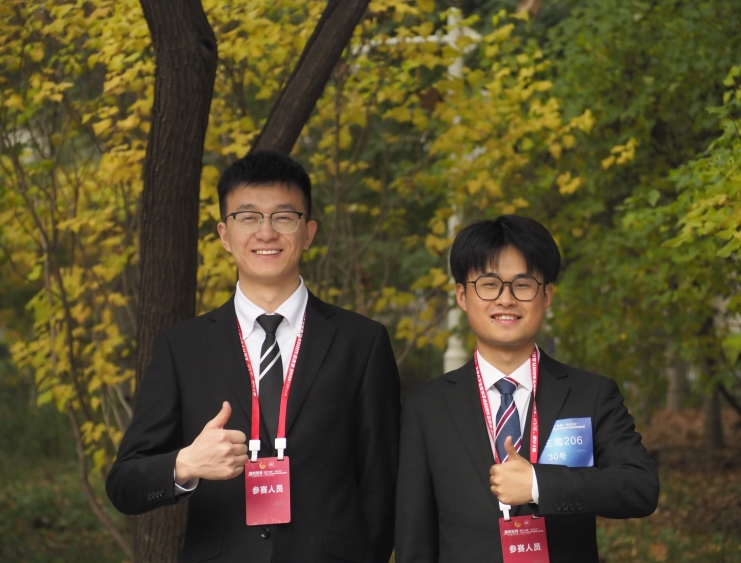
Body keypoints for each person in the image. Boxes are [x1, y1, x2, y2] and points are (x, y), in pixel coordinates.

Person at [107, 151, 400, 563]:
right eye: (248, 217)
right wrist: (185, 463)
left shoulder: (362, 342)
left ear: (308, 232)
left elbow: (383, 485)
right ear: (225, 235)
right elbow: (124, 484)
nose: (266, 232)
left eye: (283, 217)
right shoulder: (183, 347)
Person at [395, 215, 659, 563]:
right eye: (489, 284)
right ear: (462, 295)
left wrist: (538, 484)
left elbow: (640, 487)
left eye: (522, 284)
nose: (505, 299)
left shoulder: (591, 395)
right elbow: (414, 538)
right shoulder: (426, 408)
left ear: (546, 295)